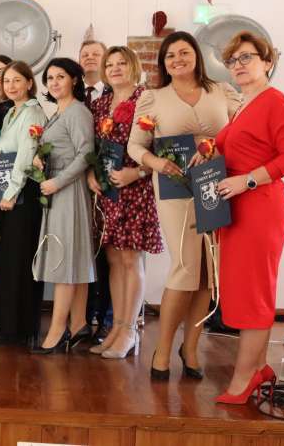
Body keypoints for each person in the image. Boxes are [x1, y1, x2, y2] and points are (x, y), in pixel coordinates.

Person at [128, 31, 240, 380]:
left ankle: (190, 348)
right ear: (163, 62)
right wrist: (156, 162)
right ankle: (162, 350)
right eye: (170, 55)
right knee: (185, 266)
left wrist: (216, 147)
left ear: (196, 56)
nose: (177, 59)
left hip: (215, 182)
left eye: (184, 52)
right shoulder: (153, 98)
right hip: (174, 185)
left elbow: (242, 133)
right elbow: (135, 145)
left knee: (208, 270)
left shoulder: (221, 91)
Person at [214, 32, 284, 403]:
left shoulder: (274, 101)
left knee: (253, 294)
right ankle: (259, 368)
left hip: (260, 208)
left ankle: (244, 378)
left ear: (267, 62)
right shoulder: (243, 104)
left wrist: (247, 180)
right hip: (237, 207)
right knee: (244, 291)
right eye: (232, 60)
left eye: (246, 57)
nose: (238, 65)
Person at [86, 47, 162, 359]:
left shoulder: (147, 99)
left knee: (132, 259)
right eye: (110, 64)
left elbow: (162, 146)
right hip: (108, 190)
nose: (115, 68)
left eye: (121, 63)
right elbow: (93, 146)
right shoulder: (100, 104)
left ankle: (130, 330)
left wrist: (139, 171)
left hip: (136, 188)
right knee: (114, 259)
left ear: (133, 66)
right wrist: (91, 173)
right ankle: (116, 328)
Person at [30, 58, 96, 354]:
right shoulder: (58, 112)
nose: (54, 83)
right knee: (72, 257)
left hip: (68, 189)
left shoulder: (77, 112)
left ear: (74, 80)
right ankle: (79, 323)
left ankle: (57, 331)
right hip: (56, 188)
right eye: (50, 78)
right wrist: (40, 159)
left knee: (64, 259)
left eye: (61, 77)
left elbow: (86, 154)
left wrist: (57, 182)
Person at [0, 61, 48, 346]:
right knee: (9, 259)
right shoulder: (11, 112)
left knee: (20, 260)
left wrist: (11, 192)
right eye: (7, 81)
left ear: (29, 82)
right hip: (8, 191)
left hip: (23, 193)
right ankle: (9, 324)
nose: (11, 86)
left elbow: (26, 155)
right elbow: (4, 155)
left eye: (17, 80)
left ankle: (21, 327)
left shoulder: (33, 112)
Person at [79, 39, 111, 338]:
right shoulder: (73, 93)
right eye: (85, 54)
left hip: (108, 183)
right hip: (78, 182)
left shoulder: (114, 94)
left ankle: (107, 318)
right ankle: (84, 315)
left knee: (107, 251)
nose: (90, 58)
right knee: (84, 249)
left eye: (96, 54)